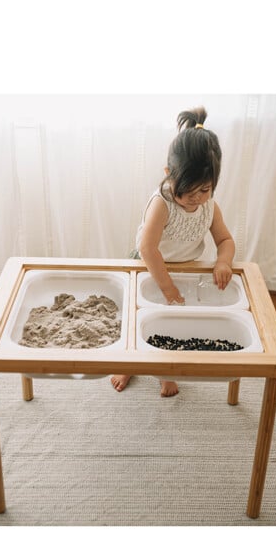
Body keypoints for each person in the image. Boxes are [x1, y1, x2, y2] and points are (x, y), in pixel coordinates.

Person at [111, 106, 235, 397]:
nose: (196, 199)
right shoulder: (162, 203)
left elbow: (225, 240)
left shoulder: (209, 206)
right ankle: (129, 362)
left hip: (186, 268)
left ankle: (165, 371)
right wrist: (166, 287)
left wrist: (223, 262)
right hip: (149, 266)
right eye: (188, 190)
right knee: (136, 321)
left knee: (173, 325)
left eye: (204, 190)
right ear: (169, 175)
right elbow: (147, 247)